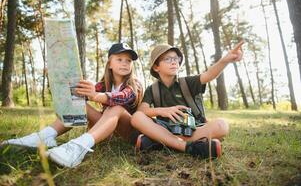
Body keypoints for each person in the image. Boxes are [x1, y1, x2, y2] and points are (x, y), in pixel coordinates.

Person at [2, 43, 143, 168]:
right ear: (110, 63)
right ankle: (44, 136)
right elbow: (81, 95)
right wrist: (69, 87)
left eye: (128, 61)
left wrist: (96, 96)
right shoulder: (104, 84)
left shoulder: (134, 84)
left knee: (116, 108)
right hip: (107, 131)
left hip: (128, 133)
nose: (124, 63)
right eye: (119, 59)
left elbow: (122, 98)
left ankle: (79, 147)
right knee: (78, 103)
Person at [131, 41, 244, 159]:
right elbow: (142, 111)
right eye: (168, 59)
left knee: (222, 125)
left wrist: (225, 60)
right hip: (165, 128)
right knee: (136, 118)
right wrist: (162, 111)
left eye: (176, 58)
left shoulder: (187, 82)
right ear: (156, 67)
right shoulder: (152, 89)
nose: (174, 61)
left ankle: (160, 142)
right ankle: (189, 147)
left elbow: (210, 74)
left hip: (193, 129)